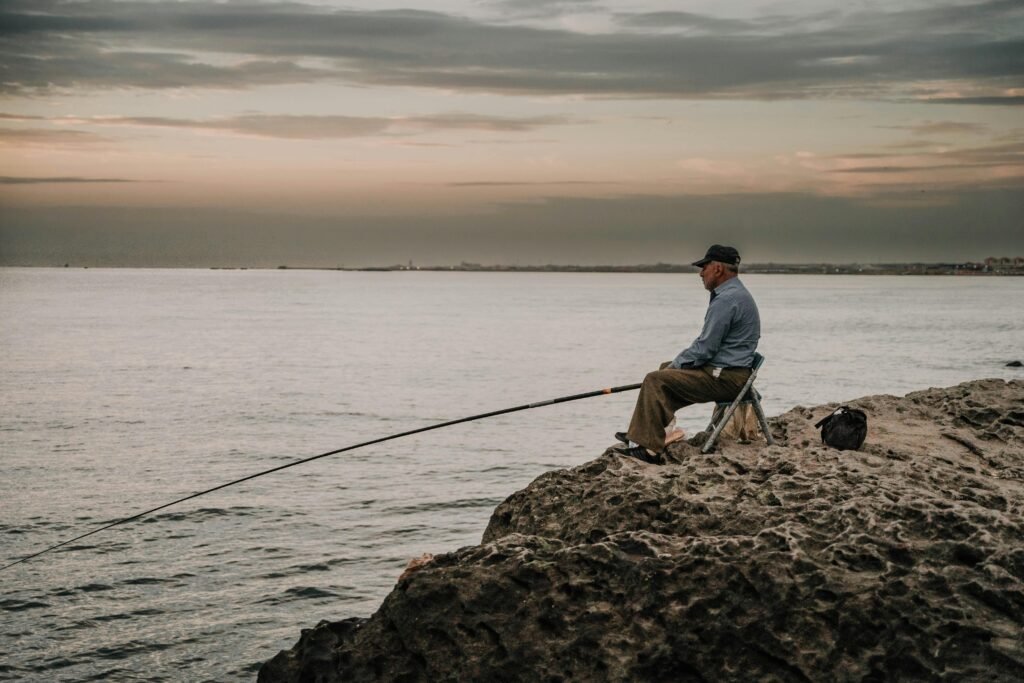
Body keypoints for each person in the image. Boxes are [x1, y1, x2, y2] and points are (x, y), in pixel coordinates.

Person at [614, 244, 761, 462]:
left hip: (727, 379)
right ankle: (648, 434)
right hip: (730, 373)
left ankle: (648, 450)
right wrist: (674, 366)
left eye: (704, 267)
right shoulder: (735, 294)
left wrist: (677, 365)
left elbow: (705, 348)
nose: (701, 274)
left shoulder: (727, 300)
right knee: (665, 369)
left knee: (655, 379)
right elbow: (707, 348)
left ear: (718, 269)